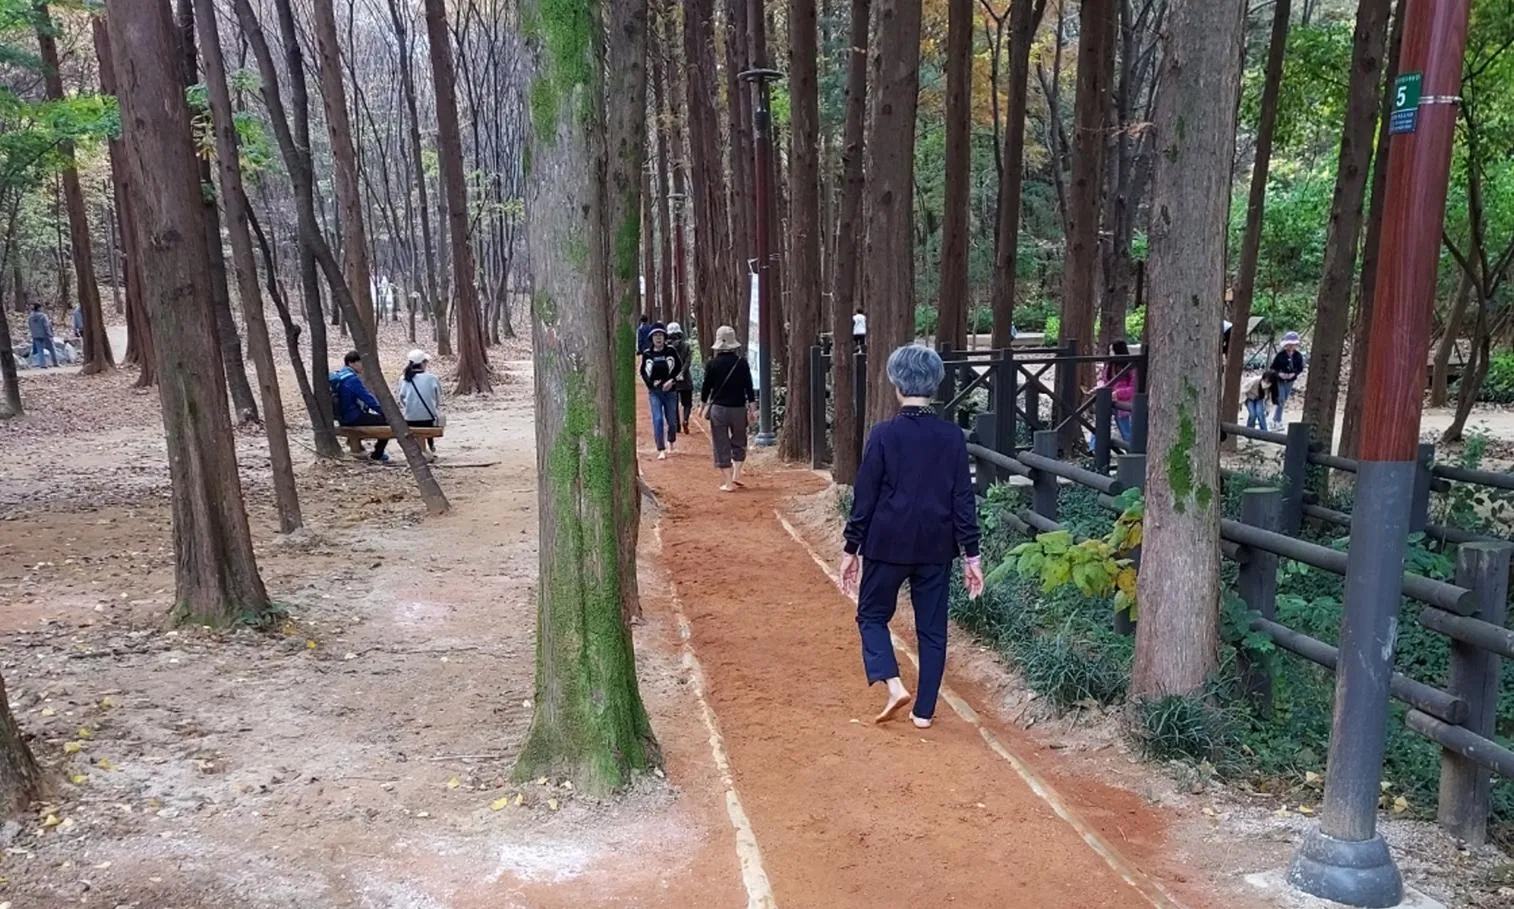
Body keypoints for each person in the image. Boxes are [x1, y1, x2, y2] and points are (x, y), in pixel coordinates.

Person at [841, 345, 984, 729]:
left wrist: (851, 547)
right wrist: (972, 555)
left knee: (871, 614)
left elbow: (865, 497)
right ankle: (924, 712)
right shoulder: (951, 436)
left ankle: (893, 684)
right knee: (932, 630)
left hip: (886, 543)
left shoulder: (883, 434)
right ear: (935, 384)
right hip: (936, 545)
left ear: (896, 383)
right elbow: (963, 498)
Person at [700, 325, 756, 491]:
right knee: (739, 441)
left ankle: (728, 482)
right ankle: (737, 474)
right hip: (738, 409)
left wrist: (702, 406)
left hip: (719, 410)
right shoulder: (742, 363)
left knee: (721, 443)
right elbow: (749, 387)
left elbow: (706, 388)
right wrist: (753, 408)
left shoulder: (712, 364)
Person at [330, 350, 392, 462]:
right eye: (360, 362)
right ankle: (378, 454)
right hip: (353, 417)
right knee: (387, 423)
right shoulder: (351, 379)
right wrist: (385, 412)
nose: (363, 366)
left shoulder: (339, 375)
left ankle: (358, 446)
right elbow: (368, 399)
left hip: (341, 417)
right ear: (351, 363)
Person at [641, 324, 683, 460]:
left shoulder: (671, 351)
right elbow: (643, 372)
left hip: (670, 391)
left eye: (660, 335)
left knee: (671, 420)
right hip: (655, 392)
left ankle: (671, 441)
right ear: (651, 338)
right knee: (657, 419)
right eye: (655, 335)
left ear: (664, 337)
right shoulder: (647, 354)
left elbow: (679, 369)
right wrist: (651, 385)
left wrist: (671, 381)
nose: (658, 338)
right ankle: (661, 448)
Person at [397, 348, 443, 459]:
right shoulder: (432, 378)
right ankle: (427, 449)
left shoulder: (403, 379)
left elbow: (401, 398)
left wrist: (408, 407)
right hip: (428, 419)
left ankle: (423, 450)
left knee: (417, 425)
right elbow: (438, 399)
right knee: (427, 421)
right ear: (423, 363)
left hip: (410, 418)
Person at [1098, 339, 1138, 442]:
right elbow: (1105, 381)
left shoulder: (1131, 368)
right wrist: (1099, 388)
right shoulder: (1109, 366)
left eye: (1112, 350)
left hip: (1125, 405)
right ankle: (1094, 447)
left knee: (1127, 434)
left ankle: (1131, 449)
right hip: (1110, 401)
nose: (1110, 353)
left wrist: (1118, 393)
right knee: (1100, 424)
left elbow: (1134, 388)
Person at [1269, 331, 1305, 425]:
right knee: (1281, 398)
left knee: (1284, 400)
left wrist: (1294, 374)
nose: (1291, 346)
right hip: (1279, 380)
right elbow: (1273, 367)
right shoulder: (1280, 355)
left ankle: (1276, 417)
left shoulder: (1298, 356)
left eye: (1293, 344)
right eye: (1289, 344)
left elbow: (1300, 368)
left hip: (1290, 381)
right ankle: (1277, 420)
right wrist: (1279, 374)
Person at [667, 322, 695, 433]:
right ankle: (685, 420)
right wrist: (682, 372)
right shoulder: (686, 346)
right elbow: (688, 362)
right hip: (685, 379)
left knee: (673, 404)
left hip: (672, 380)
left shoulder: (668, 348)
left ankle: (677, 426)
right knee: (687, 403)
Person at [27, 304, 56, 368]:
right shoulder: (43, 316)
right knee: (51, 349)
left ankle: (42, 364)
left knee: (40, 350)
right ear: (39, 308)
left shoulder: (30, 317)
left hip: (36, 336)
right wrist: (50, 334)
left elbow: (30, 326)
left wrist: (33, 334)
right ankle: (55, 362)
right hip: (45, 335)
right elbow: (46, 326)